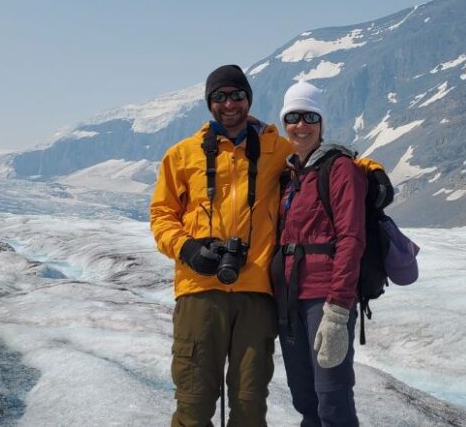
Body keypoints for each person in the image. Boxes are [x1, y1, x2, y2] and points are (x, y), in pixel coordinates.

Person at [150, 64, 295, 427]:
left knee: (249, 406)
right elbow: (161, 215)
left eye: (237, 95)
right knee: (194, 403)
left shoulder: (277, 149)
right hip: (199, 292)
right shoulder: (182, 155)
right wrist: (188, 250)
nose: (229, 104)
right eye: (220, 97)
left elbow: (324, 157)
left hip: (257, 293)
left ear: (249, 99)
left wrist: (369, 169)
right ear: (208, 103)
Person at [271, 81, 366, 427]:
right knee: (305, 399)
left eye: (310, 116)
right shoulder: (290, 175)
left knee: (332, 400)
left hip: (324, 301)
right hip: (290, 301)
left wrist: (338, 311)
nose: (301, 125)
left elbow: (352, 238)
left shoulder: (339, 168)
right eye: (293, 117)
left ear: (321, 122)